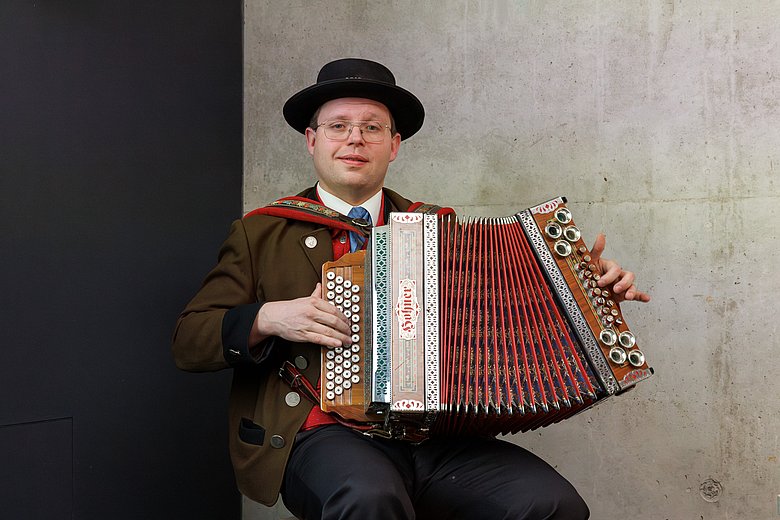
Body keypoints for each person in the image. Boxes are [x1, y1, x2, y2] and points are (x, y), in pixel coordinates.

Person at [172, 58, 650, 520]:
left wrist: (586, 290)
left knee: (549, 503)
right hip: (319, 432)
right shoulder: (260, 232)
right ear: (312, 141)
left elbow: (503, 317)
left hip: (432, 435)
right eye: (339, 126)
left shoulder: (439, 229)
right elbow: (190, 341)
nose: (355, 138)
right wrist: (267, 318)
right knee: (368, 498)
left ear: (394, 144)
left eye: (372, 127)